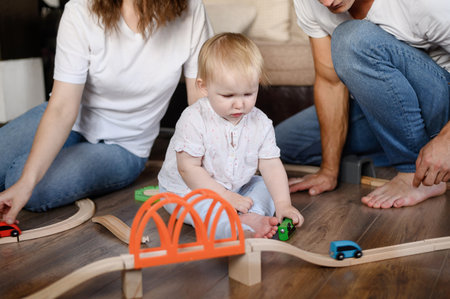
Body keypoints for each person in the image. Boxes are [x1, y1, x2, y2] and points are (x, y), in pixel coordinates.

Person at [0, 0, 213, 225]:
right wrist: (27, 179)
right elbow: (62, 108)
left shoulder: (191, 10)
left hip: (125, 147)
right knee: (18, 174)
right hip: (70, 121)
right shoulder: (80, 9)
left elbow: (200, 101)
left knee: (23, 181)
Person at [275, 0, 449, 208]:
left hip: (441, 102)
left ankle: (412, 171)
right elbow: (330, 83)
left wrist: (446, 141)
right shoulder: (307, 3)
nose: (328, 2)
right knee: (281, 145)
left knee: (351, 39)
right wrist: (329, 171)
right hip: (385, 105)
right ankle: (420, 154)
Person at [157, 33, 304, 239]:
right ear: (204, 87)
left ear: (257, 84)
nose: (239, 104)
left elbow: (270, 165)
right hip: (188, 189)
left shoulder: (260, 122)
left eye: (248, 94)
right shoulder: (194, 119)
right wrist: (224, 197)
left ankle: (251, 216)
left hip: (236, 188)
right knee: (201, 208)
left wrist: (284, 204)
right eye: (228, 96)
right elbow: (187, 168)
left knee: (266, 185)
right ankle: (230, 227)